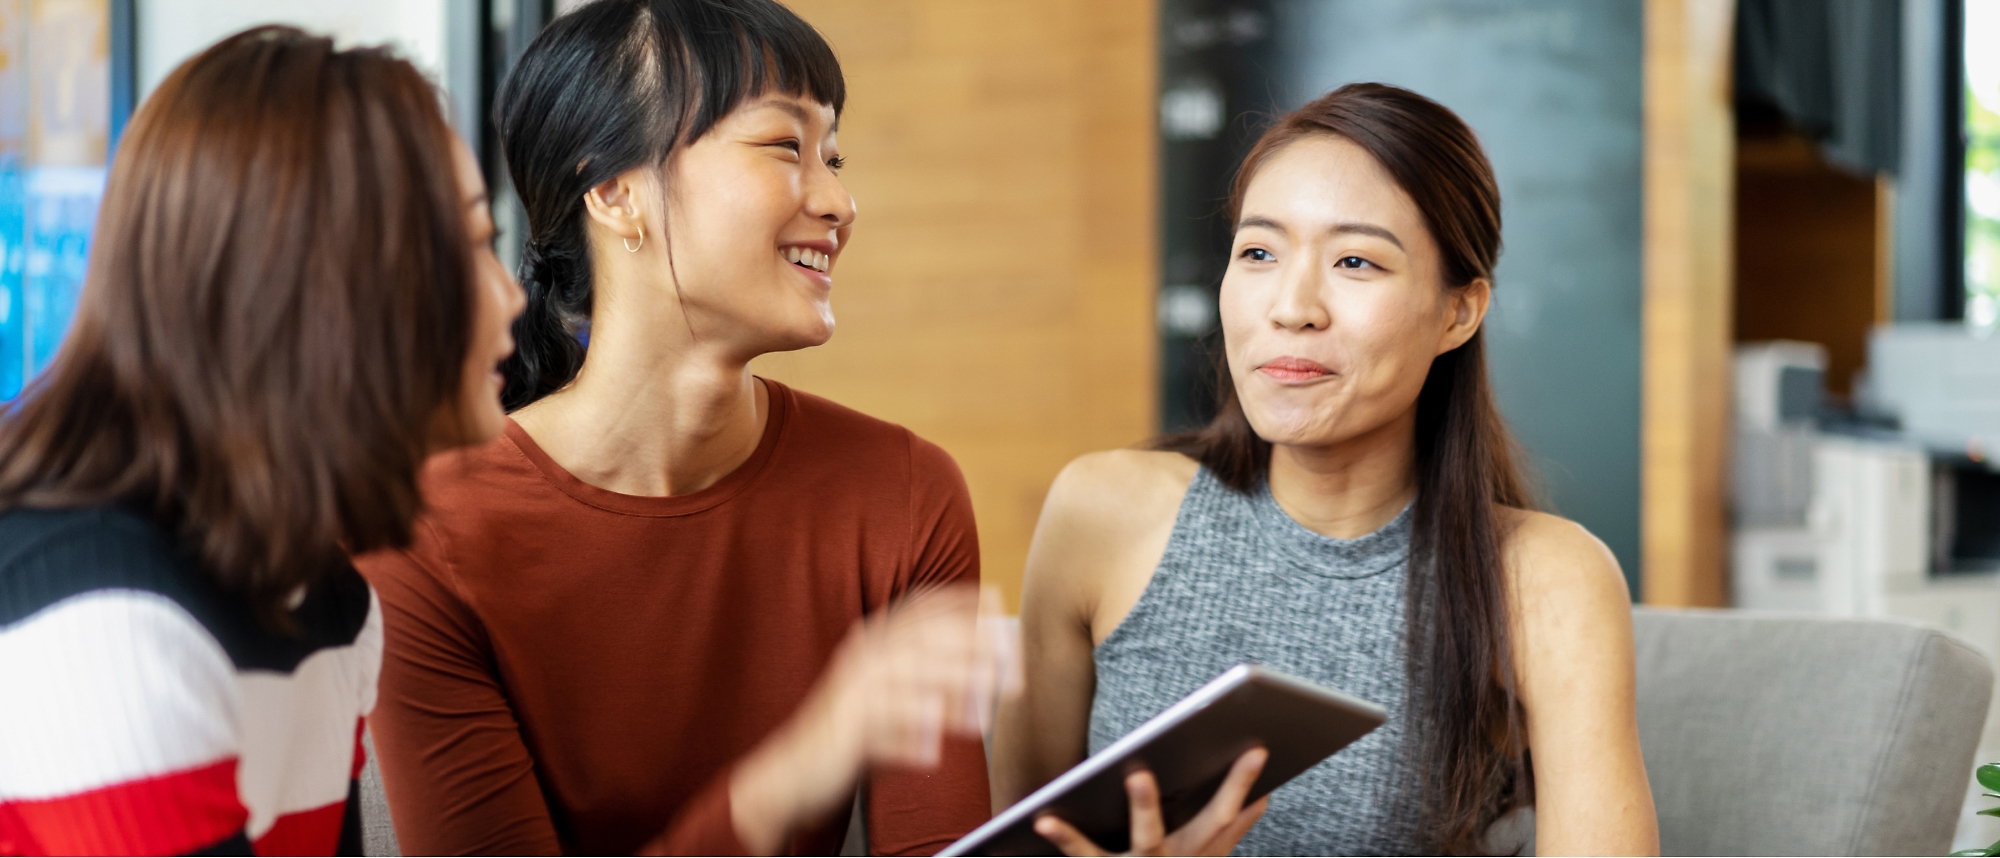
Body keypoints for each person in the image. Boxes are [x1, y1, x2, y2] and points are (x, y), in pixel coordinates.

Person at [991, 83, 1661, 856]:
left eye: (1354, 261)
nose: (1292, 305)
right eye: (1259, 253)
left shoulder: (1543, 580)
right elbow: (1017, 838)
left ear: (1458, 312)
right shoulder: (1100, 513)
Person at [0, 27, 522, 856]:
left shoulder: (330, 600)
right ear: (332, 288)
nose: (511, 295)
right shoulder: (109, 615)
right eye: (473, 247)